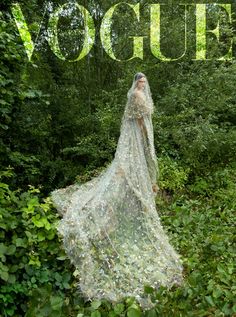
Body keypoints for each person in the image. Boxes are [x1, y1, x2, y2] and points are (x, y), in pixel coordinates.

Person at [50, 72, 184, 310]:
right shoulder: (135, 96)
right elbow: (141, 121)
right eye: (140, 82)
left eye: (145, 82)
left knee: (131, 168)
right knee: (128, 167)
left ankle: (135, 195)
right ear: (136, 83)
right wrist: (144, 137)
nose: (143, 85)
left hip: (135, 136)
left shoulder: (138, 94)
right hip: (134, 137)